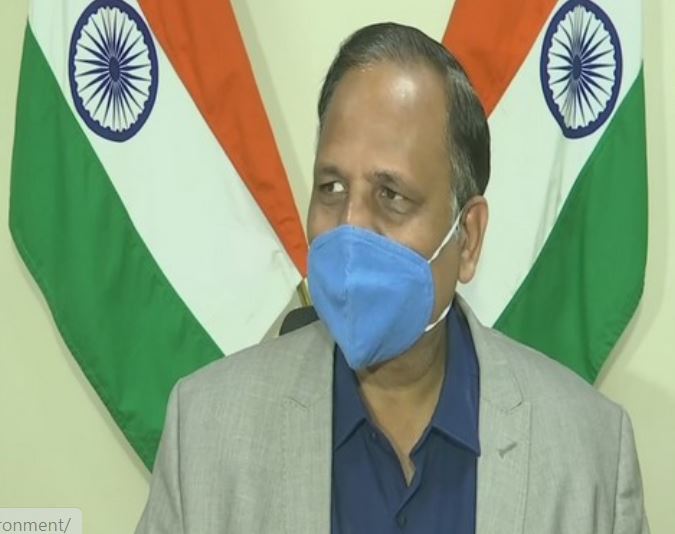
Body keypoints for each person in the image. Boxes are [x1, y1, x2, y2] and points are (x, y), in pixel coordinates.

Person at [136, 23, 649, 534]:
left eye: (392, 195)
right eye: (331, 187)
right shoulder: (203, 432)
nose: (351, 227)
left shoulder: (592, 454)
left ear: (467, 238)